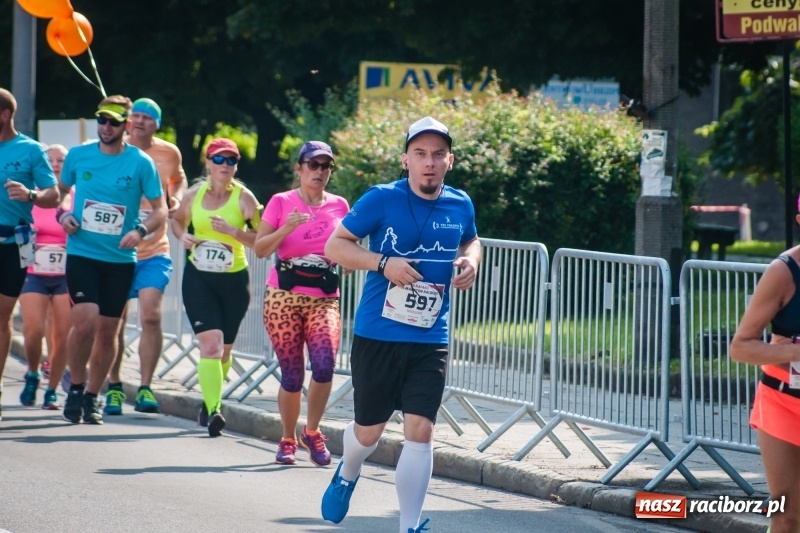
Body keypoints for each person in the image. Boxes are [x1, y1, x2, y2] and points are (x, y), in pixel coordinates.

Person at [320, 116, 481, 533]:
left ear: (450, 160)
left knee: (421, 429)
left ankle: (408, 526)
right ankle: (349, 469)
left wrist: (470, 262)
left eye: (438, 154)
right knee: (369, 433)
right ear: (405, 160)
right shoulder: (381, 199)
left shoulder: (460, 203)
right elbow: (335, 245)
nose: (430, 162)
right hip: (378, 333)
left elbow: (470, 239)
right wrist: (382, 263)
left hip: (431, 336)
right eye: (420, 154)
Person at [59, 95, 166, 425]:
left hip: (120, 260)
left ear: (127, 124)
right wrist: (63, 213)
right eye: (101, 120)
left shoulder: (139, 162)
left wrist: (140, 229)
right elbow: (61, 193)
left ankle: (93, 396)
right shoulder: (78, 155)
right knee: (84, 322)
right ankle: (75, 386)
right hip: (82, 253)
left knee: (108, 332)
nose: (106, 127)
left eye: (113, 122)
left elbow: (160, 209)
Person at [254, 141, 350, 466]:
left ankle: (312, 430)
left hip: (323, 297)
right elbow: (260, 248)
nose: (320, 171)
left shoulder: (339, 205)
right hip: (283, 295)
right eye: (314, 164)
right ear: (299, 168)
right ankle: (287, 438)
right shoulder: (281, 202)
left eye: (326, 166)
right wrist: (287, 228)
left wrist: (349, 260)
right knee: (292, 374)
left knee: (324, 366)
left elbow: (347, 245)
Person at [171, 138, 261, 437]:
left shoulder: (245, 199)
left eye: (231, 160)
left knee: (224, 352)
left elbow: (262, 240)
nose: (225, 166)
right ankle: (214, 411)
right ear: (208, 163)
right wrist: (183, 236)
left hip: (234, 280)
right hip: (199, 278)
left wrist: (233, 231)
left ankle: (211, 400)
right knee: (210, 345)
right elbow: (178, 222)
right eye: (219, 160)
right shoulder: (193, 195)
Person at [105, 97, 187, 416]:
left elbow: (178, 178)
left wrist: (175, 199)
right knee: (115, 321)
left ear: (157, 124)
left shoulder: (169, 152)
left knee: (151, 315)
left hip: (155, 249)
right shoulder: (115, 149)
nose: (139, 121)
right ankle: (113, 386)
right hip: (117, 249)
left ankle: (145, 387)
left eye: (146, 117)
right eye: (135, 116)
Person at [730, 202, 800, 533]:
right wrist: (793, 351)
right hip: (784, 403)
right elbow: (740, 347)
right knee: (787, 515)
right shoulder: (783, 272)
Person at [0, 88, 60, 421]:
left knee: (2, 317)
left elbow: (53, 195)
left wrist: (30, 195)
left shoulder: (31, 151)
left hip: (12, 243)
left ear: (5, 114)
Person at [18, 144, 72, 409]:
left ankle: (52, 390)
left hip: (65, 274)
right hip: (33, 271)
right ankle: (32, 372)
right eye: (49, 159)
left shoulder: (75, 196)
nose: (54, 163)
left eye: (60, 159)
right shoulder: (33, 196)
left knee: (62, 335)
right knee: (34, 330)